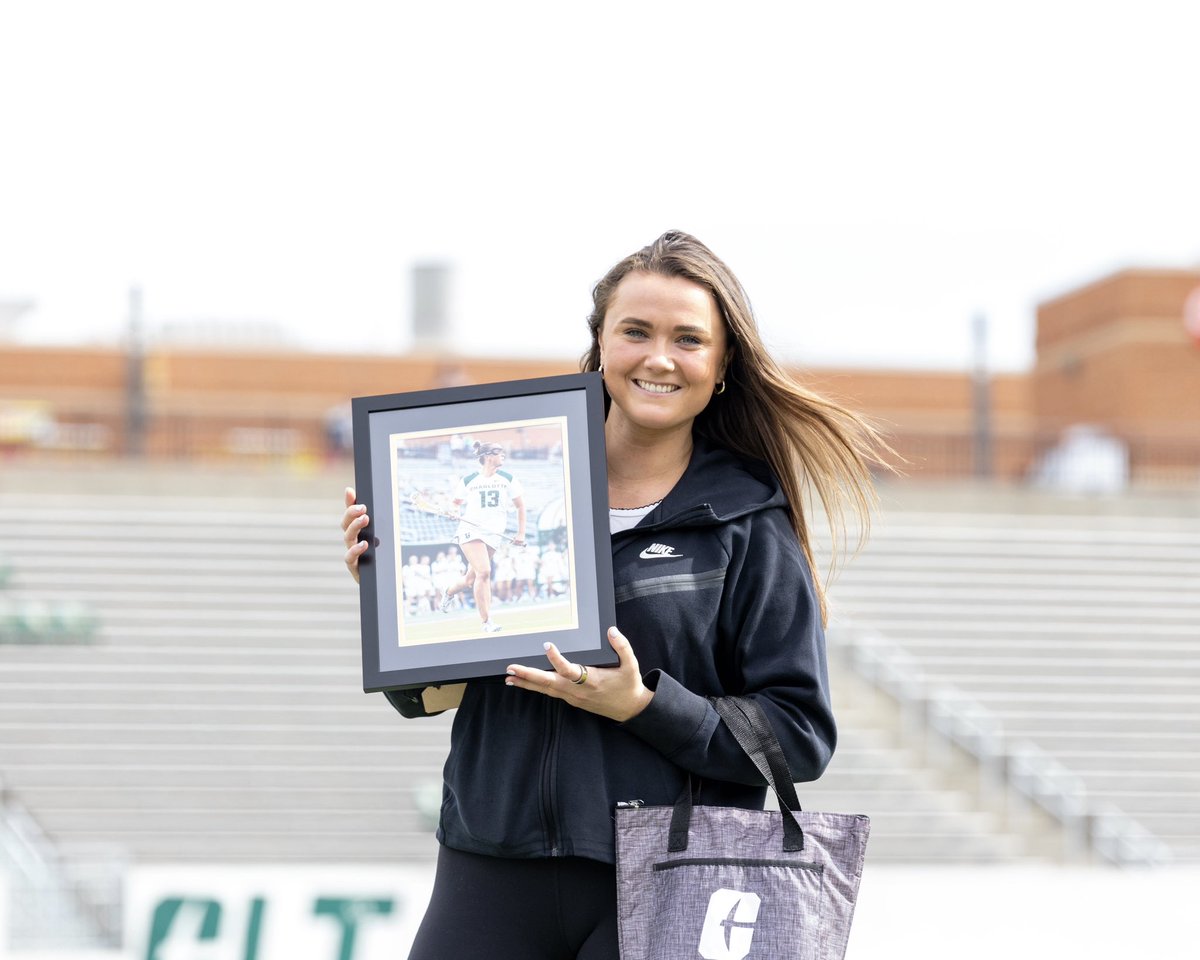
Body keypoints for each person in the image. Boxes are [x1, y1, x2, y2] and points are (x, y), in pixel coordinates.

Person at [341, 230, 885, 960]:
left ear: (721, 365)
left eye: (688, 339)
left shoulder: (747, 523)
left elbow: (799, 737)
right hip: (489, 863)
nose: (659, 357)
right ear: (600, 342)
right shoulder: (524, 483)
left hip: (667, 879)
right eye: (636, 331)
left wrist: (644, 705)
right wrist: (401, 599)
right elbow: (433, 697)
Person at [436, 440, 527, 633]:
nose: (503, 455)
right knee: (484, 572)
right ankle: (487, 622)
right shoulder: (469, 480)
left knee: (471, 579)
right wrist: (454, 512)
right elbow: (456, 503)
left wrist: (521, 533)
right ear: (487, 456)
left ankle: (448, 591)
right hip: (471, 530)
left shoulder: (508, 479)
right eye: (499, 452)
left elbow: (520, 506)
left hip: (493, 533)